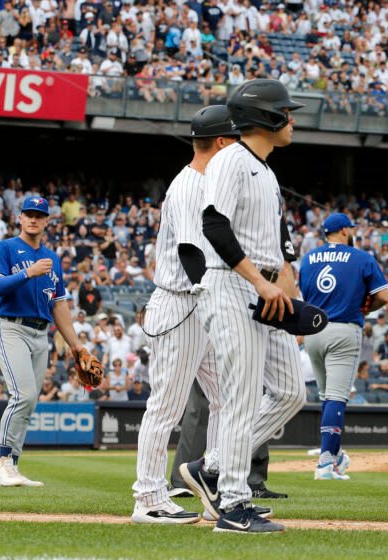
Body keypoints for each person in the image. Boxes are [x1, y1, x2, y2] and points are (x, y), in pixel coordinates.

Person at [180, 79, 305, 534]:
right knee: (240, 398)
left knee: (292, 391)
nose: (291, 119)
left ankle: (212, 466)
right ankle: (232, 506)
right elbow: (213, 223)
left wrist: (282, 292)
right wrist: (259, 282)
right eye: (285, 111)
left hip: (264, 290)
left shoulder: (265, 169)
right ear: (266, 117)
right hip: (231, 286)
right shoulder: (232, 158)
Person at [131, 106, 238, 525]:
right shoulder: (191, 186)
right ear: (222, 142)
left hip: (198, 304)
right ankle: (149, 498)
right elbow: (193, 254)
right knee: (166, 407)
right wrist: (217, 302)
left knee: (228, 399)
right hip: (181, 304)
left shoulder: (207, 180)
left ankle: (216, 486)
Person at [0, 196, 88, 487]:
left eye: (39, 215)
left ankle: (12, 466)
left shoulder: (52, 258)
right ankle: (3, 463)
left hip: (40, 333)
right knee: (24, 394)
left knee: (29, 403)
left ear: (47, 221)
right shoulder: (5, 248)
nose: (33, 219)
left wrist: (76, 345)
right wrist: (27, 272)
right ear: (19, 218)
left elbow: (59, 305)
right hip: (11, 327)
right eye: (28, 214)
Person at [299, 212, 388, 480]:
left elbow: (306, 294)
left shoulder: (309, 258)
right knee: (337, 397)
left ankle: (335, 455)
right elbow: (383, 295)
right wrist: (366, 308)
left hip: (313, 331)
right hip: (343, 329)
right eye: (350, 228)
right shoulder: (360, 257)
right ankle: (326, 463)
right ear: (344, 231)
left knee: (327, 397)